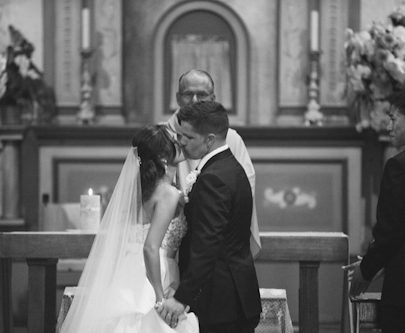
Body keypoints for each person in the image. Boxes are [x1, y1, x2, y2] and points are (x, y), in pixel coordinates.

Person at [60, 124, 198, 333]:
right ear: (162, 156)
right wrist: (159, 299)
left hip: (131, 270)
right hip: (151, 275)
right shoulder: (168, 193)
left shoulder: (142, 191)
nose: (179, 143)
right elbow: (150, 247)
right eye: (172, 142)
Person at [158, 101, 261, 333]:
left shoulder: (213, 178)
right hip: (232, 296)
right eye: (180, 135)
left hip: (220, 303)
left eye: (188, 137)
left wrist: (182, 298)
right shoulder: (230, 167)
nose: (181, 142)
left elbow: (207, 245)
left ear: (210, 139)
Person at [343, 90, 405, 332]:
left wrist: (367, 269)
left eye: (393, 119)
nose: (388, 125)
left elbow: (390, 232)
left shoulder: (401, 165)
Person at [165, 69, 261, 258]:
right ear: (177, 97)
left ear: (213, 98)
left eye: (201, 94)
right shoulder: (162, 136)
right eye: (187, 94)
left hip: (218, 237)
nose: (194, 100)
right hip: (170, 231)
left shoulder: (230, 138)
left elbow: (244, 187)